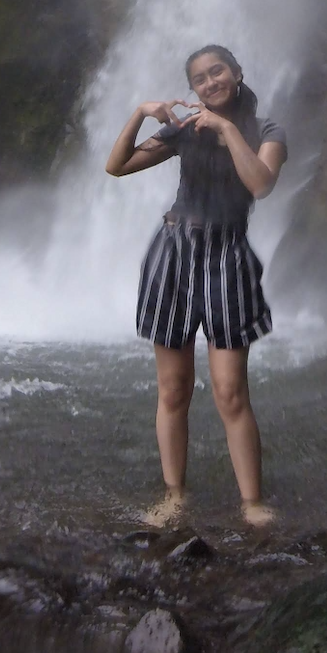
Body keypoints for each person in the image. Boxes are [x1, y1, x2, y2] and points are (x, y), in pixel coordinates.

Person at [104, 44, 286, 527]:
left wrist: (226, 129)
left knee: (230, 392)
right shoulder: (184, 129)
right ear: (194, 89)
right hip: (175, 253)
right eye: (200, 79)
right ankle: (175, 495)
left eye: (217, 71)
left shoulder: (266, 132)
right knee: (173, 388)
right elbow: (116, 166)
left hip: (228, 257)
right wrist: (141, 112)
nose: (210, 83)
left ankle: (251, 503)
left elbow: (260, 184)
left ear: (238, 72)